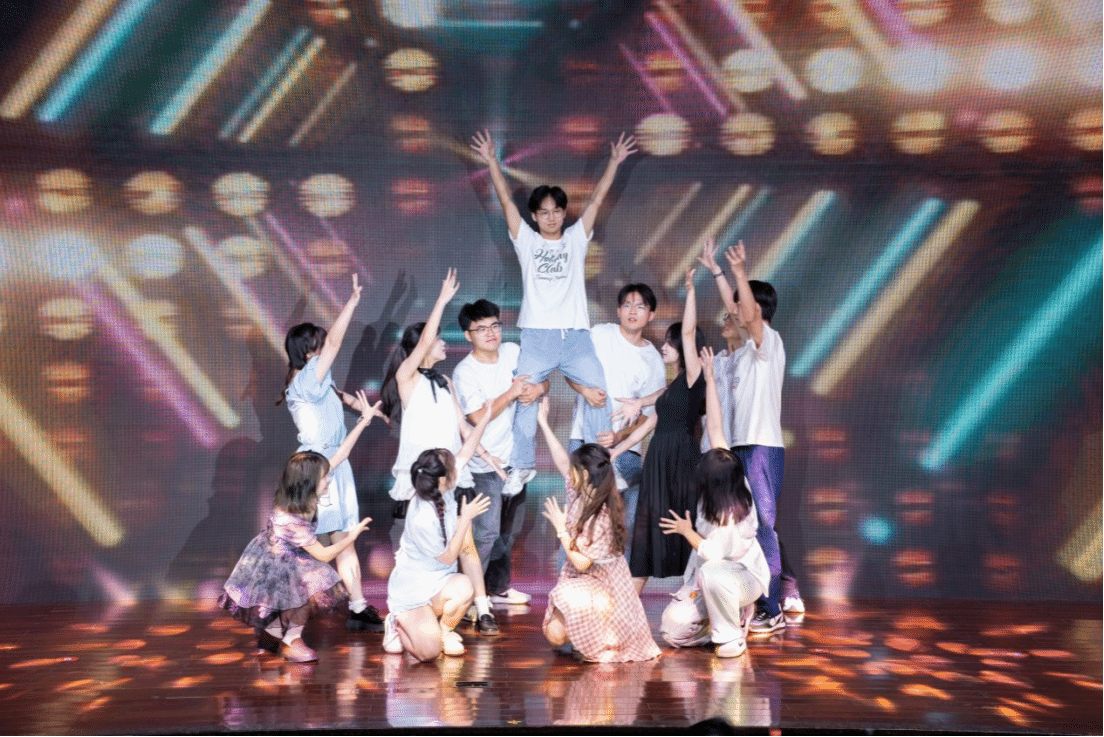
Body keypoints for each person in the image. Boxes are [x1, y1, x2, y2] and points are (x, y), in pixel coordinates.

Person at [470, 129, 636, 494]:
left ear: (563, 214)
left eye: (556, 211)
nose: (550, 217)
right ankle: (522, 466)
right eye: (543, 212)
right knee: (524, 394)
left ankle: (604, 466)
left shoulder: (575, 239)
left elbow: (596, 201)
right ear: (534, 215)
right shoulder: (527, 241)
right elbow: (506, 200)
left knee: (598, 393)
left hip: (575, 337)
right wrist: (492, 162)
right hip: (538, 336)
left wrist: (613, 162)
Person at [379, 270, 501, 634]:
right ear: (423, 345)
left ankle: (482, 608)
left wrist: (488, 456)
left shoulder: (446, 381)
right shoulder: (408, 378)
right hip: (421, 477)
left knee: (467, 544)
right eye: (437, 340)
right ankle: (410, 611)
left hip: (453, 472)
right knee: (416, 547)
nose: (444, 344)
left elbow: (463, 426)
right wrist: (441, 301)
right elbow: (423, 343)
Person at [220, 393, 383, 662]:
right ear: (309, 483)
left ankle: (270, 637)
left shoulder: (305, 495)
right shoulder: (292, 517)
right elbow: (324, 555)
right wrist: (351, 536)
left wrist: (363, 422)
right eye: (325, 478)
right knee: (313, 590)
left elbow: (340, 454)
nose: (329, 481)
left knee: (307, 589)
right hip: (275, 564)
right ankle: (291, 639)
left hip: (290, 557)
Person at [697, 241, 797, 633]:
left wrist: (739, 272)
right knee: (742, 524)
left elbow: (749, 315)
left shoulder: (767, 343)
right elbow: (740, 309)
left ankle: (772, 608)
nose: (733, 312)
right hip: (738, 448)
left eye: (740, 306)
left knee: (763, 526)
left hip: (761, 448)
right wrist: (718, 273)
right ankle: (754, 600)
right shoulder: (739, 353)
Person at [282, 274, 383, 633]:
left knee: (340, 537)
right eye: (320, 345)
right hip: (318, 468)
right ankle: (287, 614)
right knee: (316, 542)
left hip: (334, 464)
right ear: (309, 351)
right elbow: (337, 342)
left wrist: (372, 413)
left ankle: (355, 605)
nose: (327, 349)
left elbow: (343, 397)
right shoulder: (306, 379)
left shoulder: (317, 381)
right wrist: (352, 301)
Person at [659, 348, 769, 658]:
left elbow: (712, 553)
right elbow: (716, 428)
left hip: (742, 578)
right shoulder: (728, 470)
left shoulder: (729, 512)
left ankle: (731, 636)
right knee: (672, 630)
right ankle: (717, 623)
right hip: (715, 579)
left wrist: (686, 531)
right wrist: (709, 376)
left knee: (712, 573)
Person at [537, 397, 661, 663]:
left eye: (575, 469)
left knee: (560, 621)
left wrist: (561, 529)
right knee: (555, 634)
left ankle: (603, 636)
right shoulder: (580, 492)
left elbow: (583, 564)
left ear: (585, 475)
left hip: (604, 587)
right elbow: (562, 461)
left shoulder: (602, 515)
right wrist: (543, 423)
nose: (570, 472)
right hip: (585, 583)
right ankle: (592, 635)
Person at [611, 269, 706, 593]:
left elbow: (689, 332)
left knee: (680, 525)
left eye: (669, 342)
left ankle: (699, 600)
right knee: (646, 532)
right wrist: (616, 451)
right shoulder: (671, 388)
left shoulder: (693, 379)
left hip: (680, 462)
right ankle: (628, 606)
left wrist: (690, 290)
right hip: (657, 462)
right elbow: (649, 424)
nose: (663, 347)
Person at [452, 299, 548, 606]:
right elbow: (476, 417)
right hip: (484, 464)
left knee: (508, 533)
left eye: (495, 325)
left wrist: (538, 390)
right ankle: (468, 597)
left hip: (516, 460)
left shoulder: (512, 351)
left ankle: (498, 588)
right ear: (468, 335)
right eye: (481, 329)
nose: (491, 333)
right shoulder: (465, 372)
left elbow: (542, 380)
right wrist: (511, 393)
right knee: (484, 534)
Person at [382, 405, 495, 661]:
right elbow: (448, 557)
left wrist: (485, 418)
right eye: (451, 465)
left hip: (439, 583)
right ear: (443, 479)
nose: (457, 465)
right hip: (413, 590)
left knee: (464, 587)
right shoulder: (423, 517)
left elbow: (467, 450)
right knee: (428, 654)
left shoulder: (441, 487)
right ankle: (396, 621)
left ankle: (444, 631)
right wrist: (465, 519)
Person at [565, 283, 666, 563]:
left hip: (626, 451)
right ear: (618, 310)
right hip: (584, 441)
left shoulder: (653, 359)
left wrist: (620, 436)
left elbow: (649, 415)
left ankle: (618, 581)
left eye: (641, 306)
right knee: (579, 517)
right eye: (627, 305)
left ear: (651, 315)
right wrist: (585, 391)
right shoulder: (600, 334)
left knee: (623, 526)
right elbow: (569, 368)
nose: (633, 311)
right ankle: (573, 580)